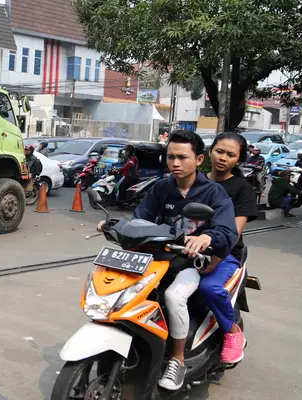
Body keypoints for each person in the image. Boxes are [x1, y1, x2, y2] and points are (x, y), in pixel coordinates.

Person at [97, 130, 239, 390]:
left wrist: (207, 238)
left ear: (198, 160)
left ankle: (177, 358)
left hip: (191, 262)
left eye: (182, 157)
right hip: (157, 258)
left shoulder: (213, 192)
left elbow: (227, 230)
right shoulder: (161, 188)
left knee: (174, 296)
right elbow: (141, 219)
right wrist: (115, 225)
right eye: (171, 157)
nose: (175, 163)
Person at [206, 133, 259, 264]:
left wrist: (215, 261)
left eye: (230, 155)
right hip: (189, 248)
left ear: (238, 160)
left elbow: (233, 233)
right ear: (210, 152)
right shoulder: (196, 182)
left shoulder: (243, 189)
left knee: (209, 285)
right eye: (219, 152)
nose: (223, 158)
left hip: (226, 252)